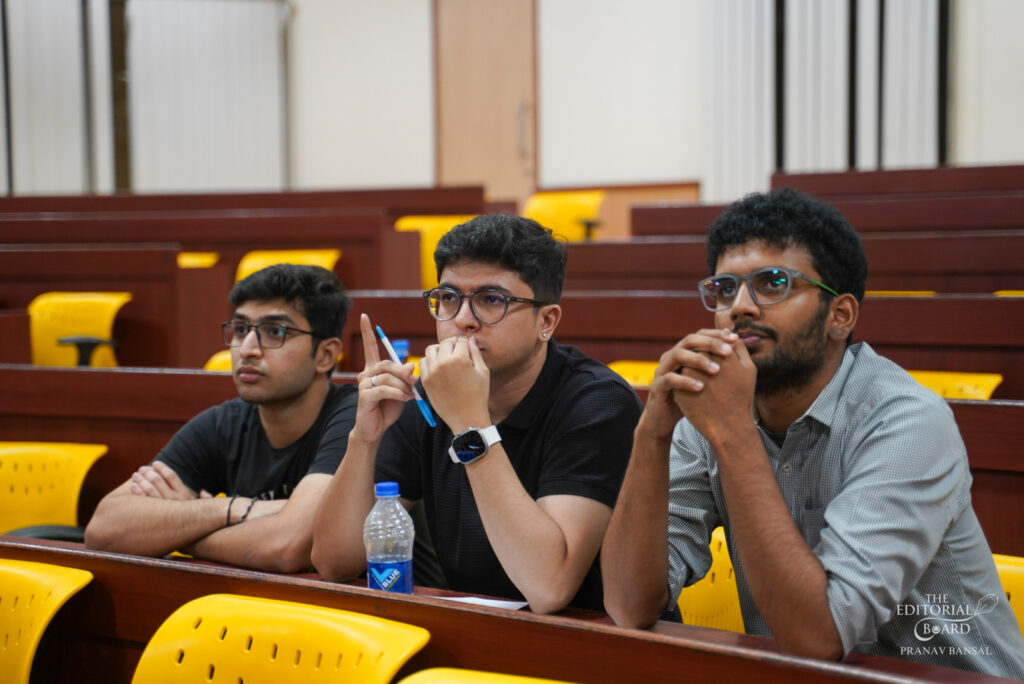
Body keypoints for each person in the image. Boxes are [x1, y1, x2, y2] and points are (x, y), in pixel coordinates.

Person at [600, 188, 1024, 678]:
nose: (739, 307)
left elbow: (817, 637)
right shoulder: (710, 418)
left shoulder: (907, 422)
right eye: (725, 288)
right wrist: (652, 433)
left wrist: (733, 433)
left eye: (773, 283)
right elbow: (629, 606)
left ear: (839, 316)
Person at [312, 214, 641, 613]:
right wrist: (364, 439)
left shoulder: (597, 402)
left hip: (590, 637)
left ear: (546, 321)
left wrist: (470, 424)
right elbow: (334, 561)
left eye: (491, 300)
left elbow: (548, 588)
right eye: (449, 298)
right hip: (476, 626)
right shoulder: (426, 397)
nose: (463, 320)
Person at [85, 264, 357, 573]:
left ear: (325, 355)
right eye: (240, 329)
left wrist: (180, 534)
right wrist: (229, 509)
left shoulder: (356, 420)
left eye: (275, 332)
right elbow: (103, 529)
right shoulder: (222, 423)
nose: (247, 349)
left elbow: (286, 546)